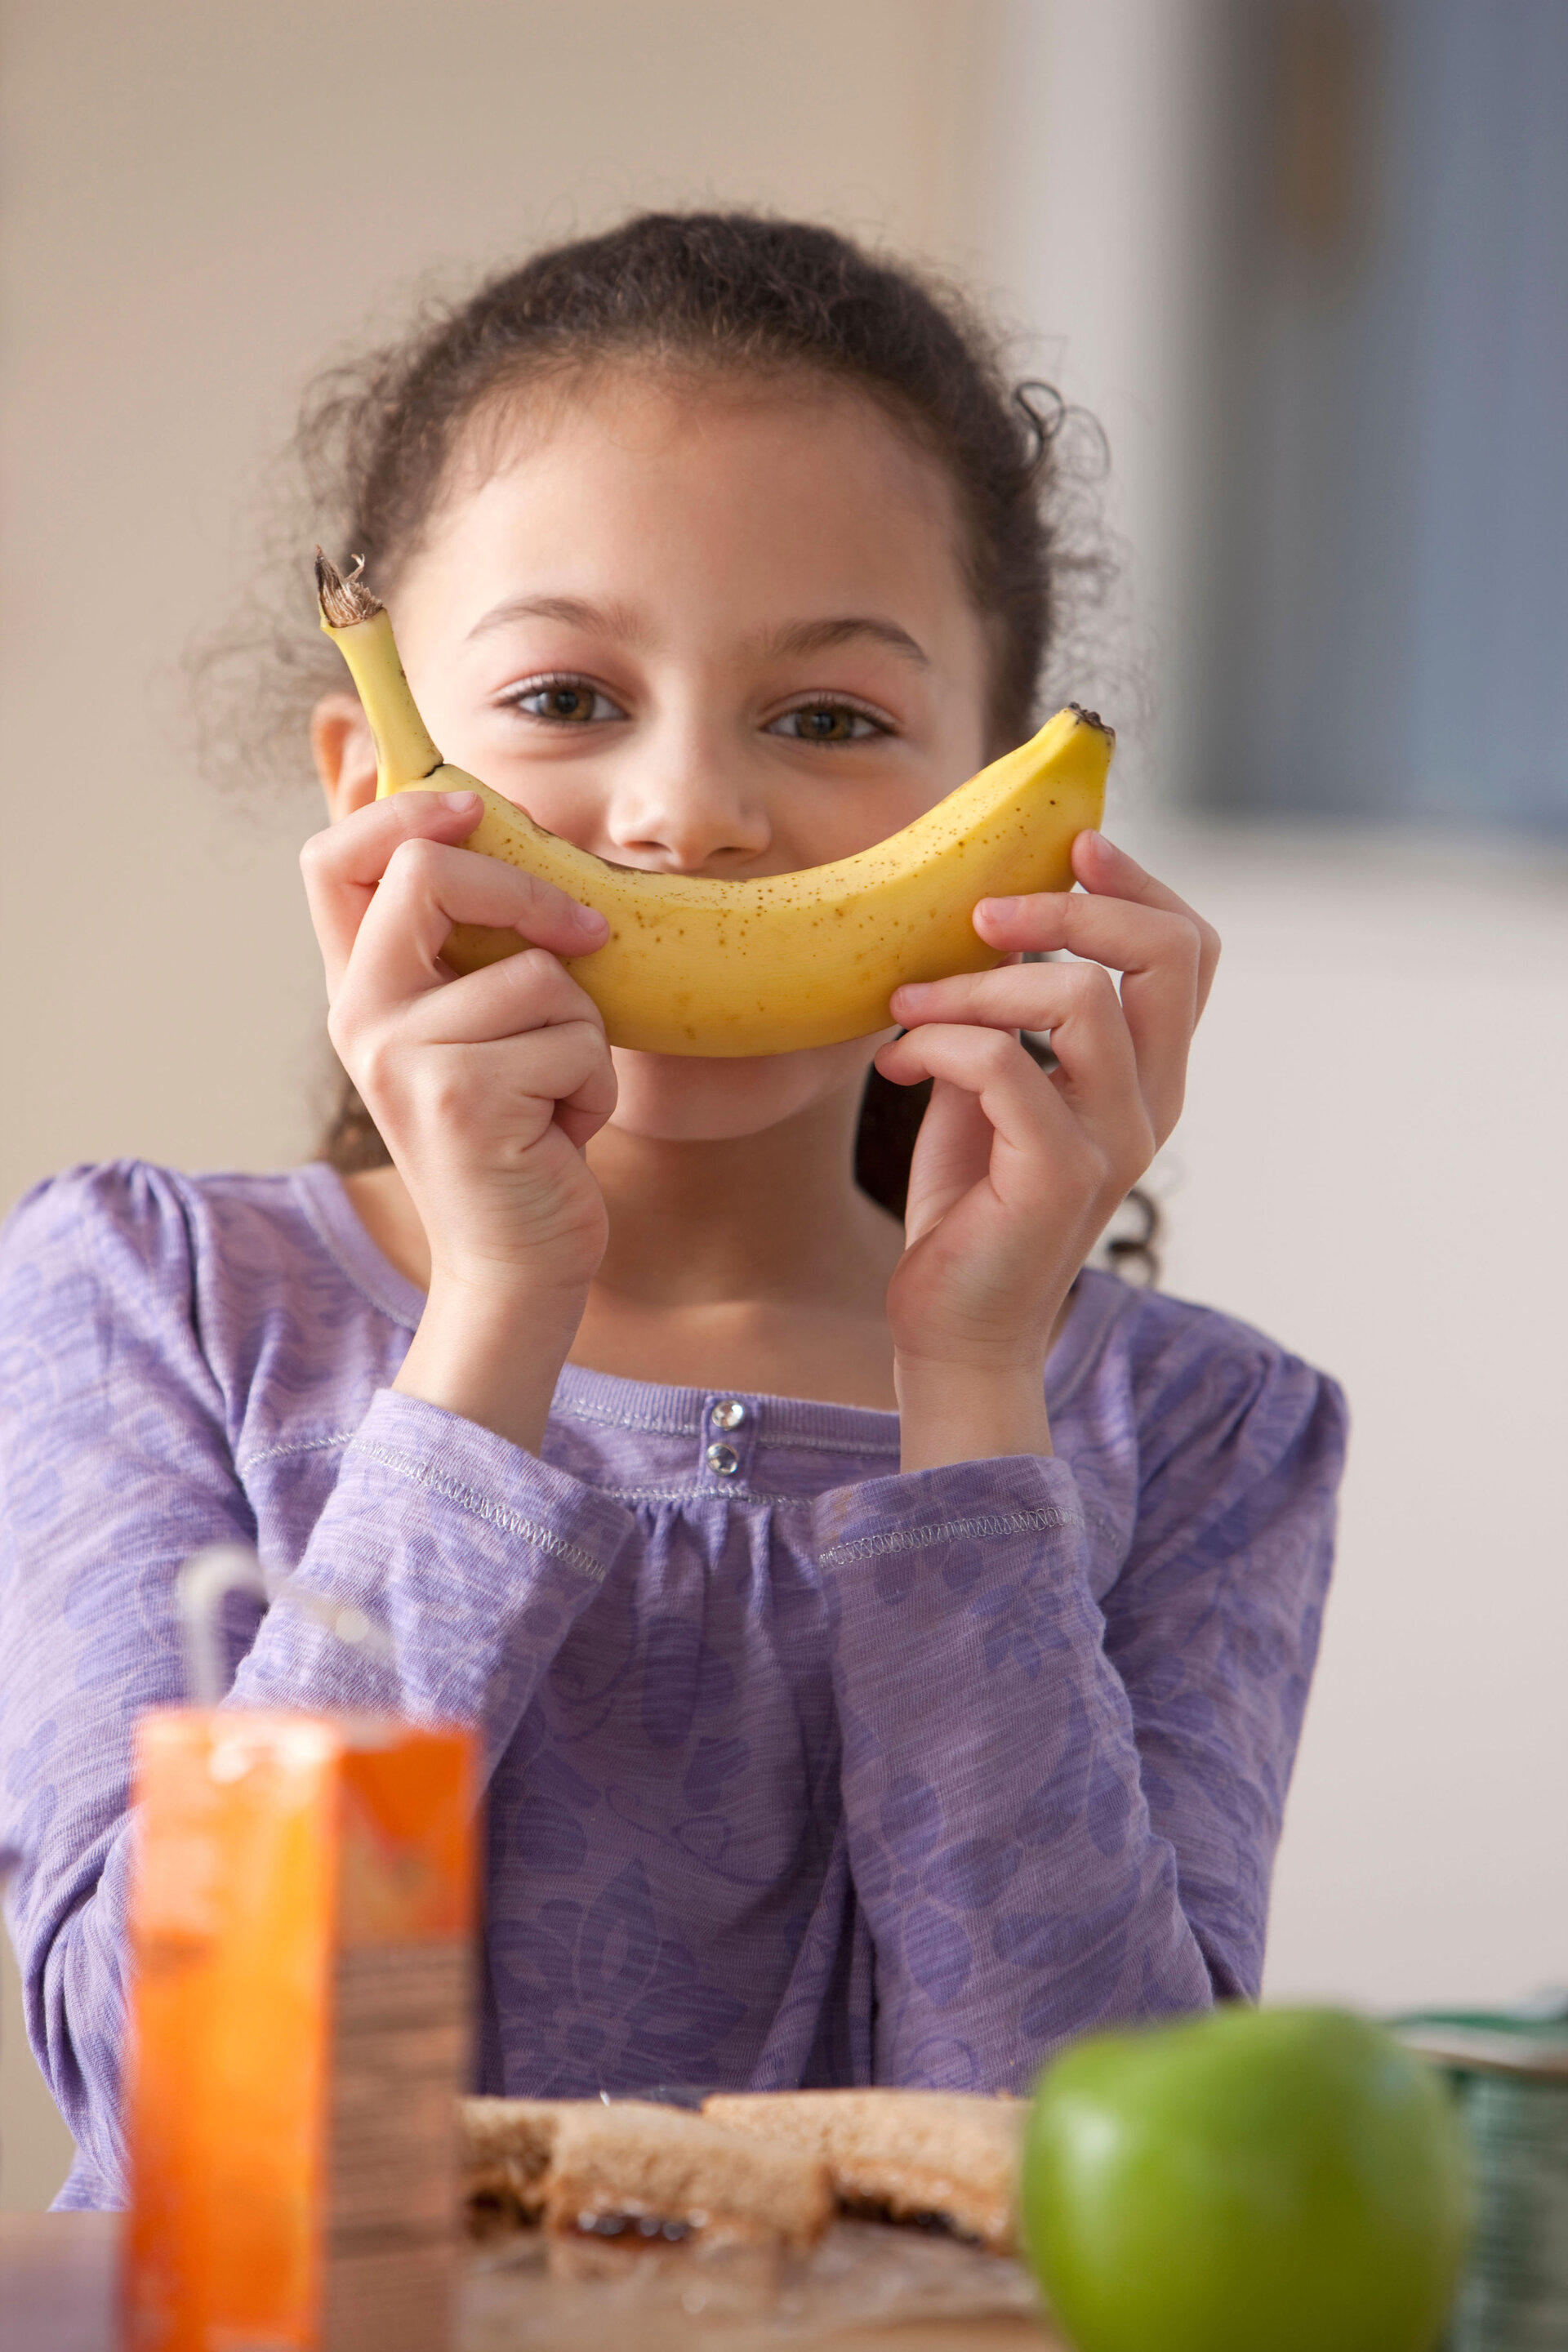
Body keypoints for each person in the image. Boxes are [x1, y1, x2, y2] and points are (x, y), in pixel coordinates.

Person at [0, 213, 1345, 2212]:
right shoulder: (154, 1302)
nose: (688, 817)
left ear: (1007, 811)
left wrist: (973, 1379)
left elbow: (1087, 2183)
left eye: (829, 720)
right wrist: (492, 1330)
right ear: (370, 783)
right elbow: (188, 2098)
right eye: (564, 697)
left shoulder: (1207, 1433)